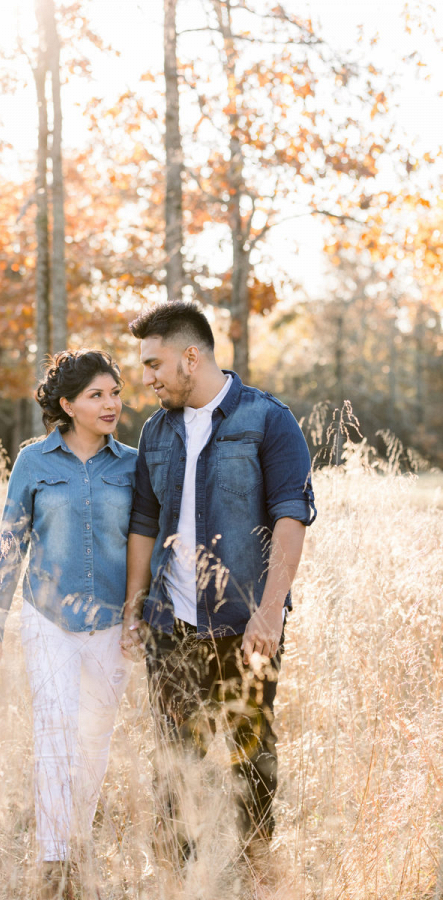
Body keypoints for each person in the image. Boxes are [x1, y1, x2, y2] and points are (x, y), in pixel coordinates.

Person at [119, 301, 316, 863]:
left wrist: (270, 611)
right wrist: (136, 609)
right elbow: (143, 523)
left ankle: (256, 870)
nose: (147, 378)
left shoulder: (267, 419)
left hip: (244, 627)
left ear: (190, 356)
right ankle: (178, 880)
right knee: (174, 762)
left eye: (154, 364)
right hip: (170, 627)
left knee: (251, 758)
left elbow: (290, 515)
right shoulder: (156, 431)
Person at [0, 350, 136, 899]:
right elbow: (10, 540)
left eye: (115, 391)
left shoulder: (132, 464)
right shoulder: (34, 460)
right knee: (53, 735)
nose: (111, 403)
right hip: (48, 620)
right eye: (97, 395)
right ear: (67, 405)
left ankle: (77, 838)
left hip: (113, 625)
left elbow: (148, 545)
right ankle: (55, 862)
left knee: (94, 740)